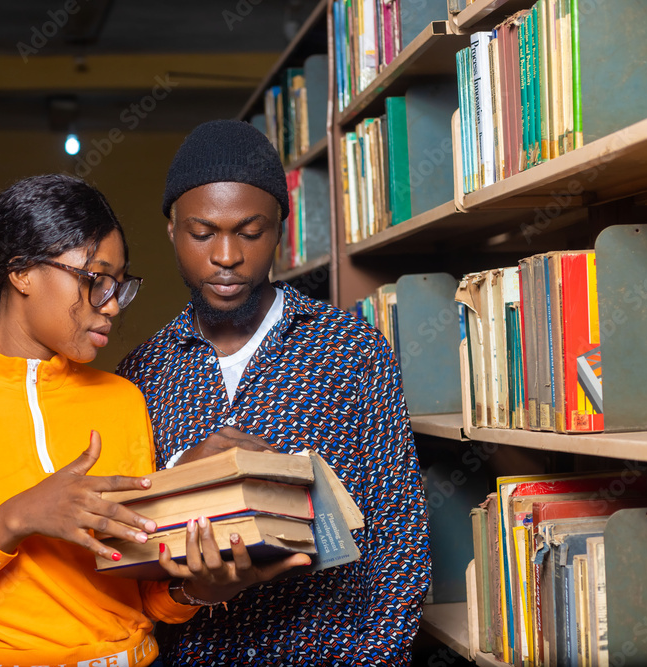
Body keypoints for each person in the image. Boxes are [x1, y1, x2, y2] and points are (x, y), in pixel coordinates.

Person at [0, 174, 310, 667]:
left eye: (118, 285)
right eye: (96, 280)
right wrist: (11, 521)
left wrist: (198, 589)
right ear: (22, 272)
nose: (111, 306)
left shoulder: (122, 399)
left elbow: (141, 600)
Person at [117, 120, 431, 665]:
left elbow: (400, 535)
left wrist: (372, 657)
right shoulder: (141, 373)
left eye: (249, 230)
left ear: (280, 230)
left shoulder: (352, 351)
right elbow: (125, 553)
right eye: (202, 233)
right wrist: (176, 480)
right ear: (172, 232)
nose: (226, 255)